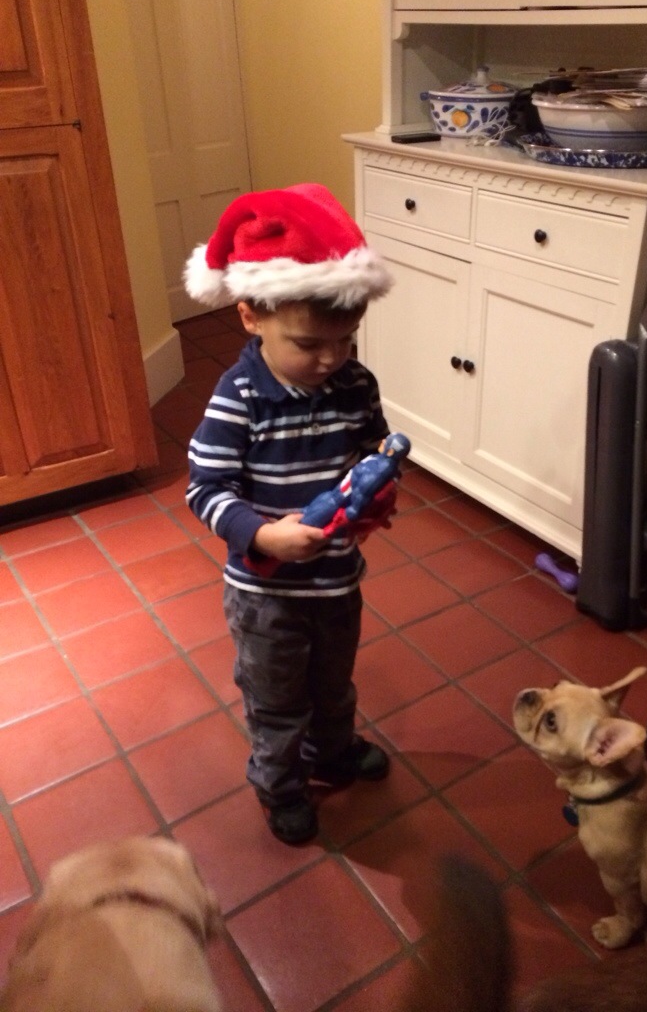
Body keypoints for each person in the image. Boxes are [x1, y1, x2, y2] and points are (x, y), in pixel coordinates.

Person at [184, 183, 395, 844]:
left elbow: (371, 448)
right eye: (308, 343)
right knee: (277, 701)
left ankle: (331, 753)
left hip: (336, 578)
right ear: (251, 316)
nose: (330, 359)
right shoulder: (238, 397)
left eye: (346, 339)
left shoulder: (354, 383)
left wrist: (379, 481)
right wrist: (261, 534)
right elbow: (205, 488)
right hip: (266, 595)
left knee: (334, 684)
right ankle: (280, 787)